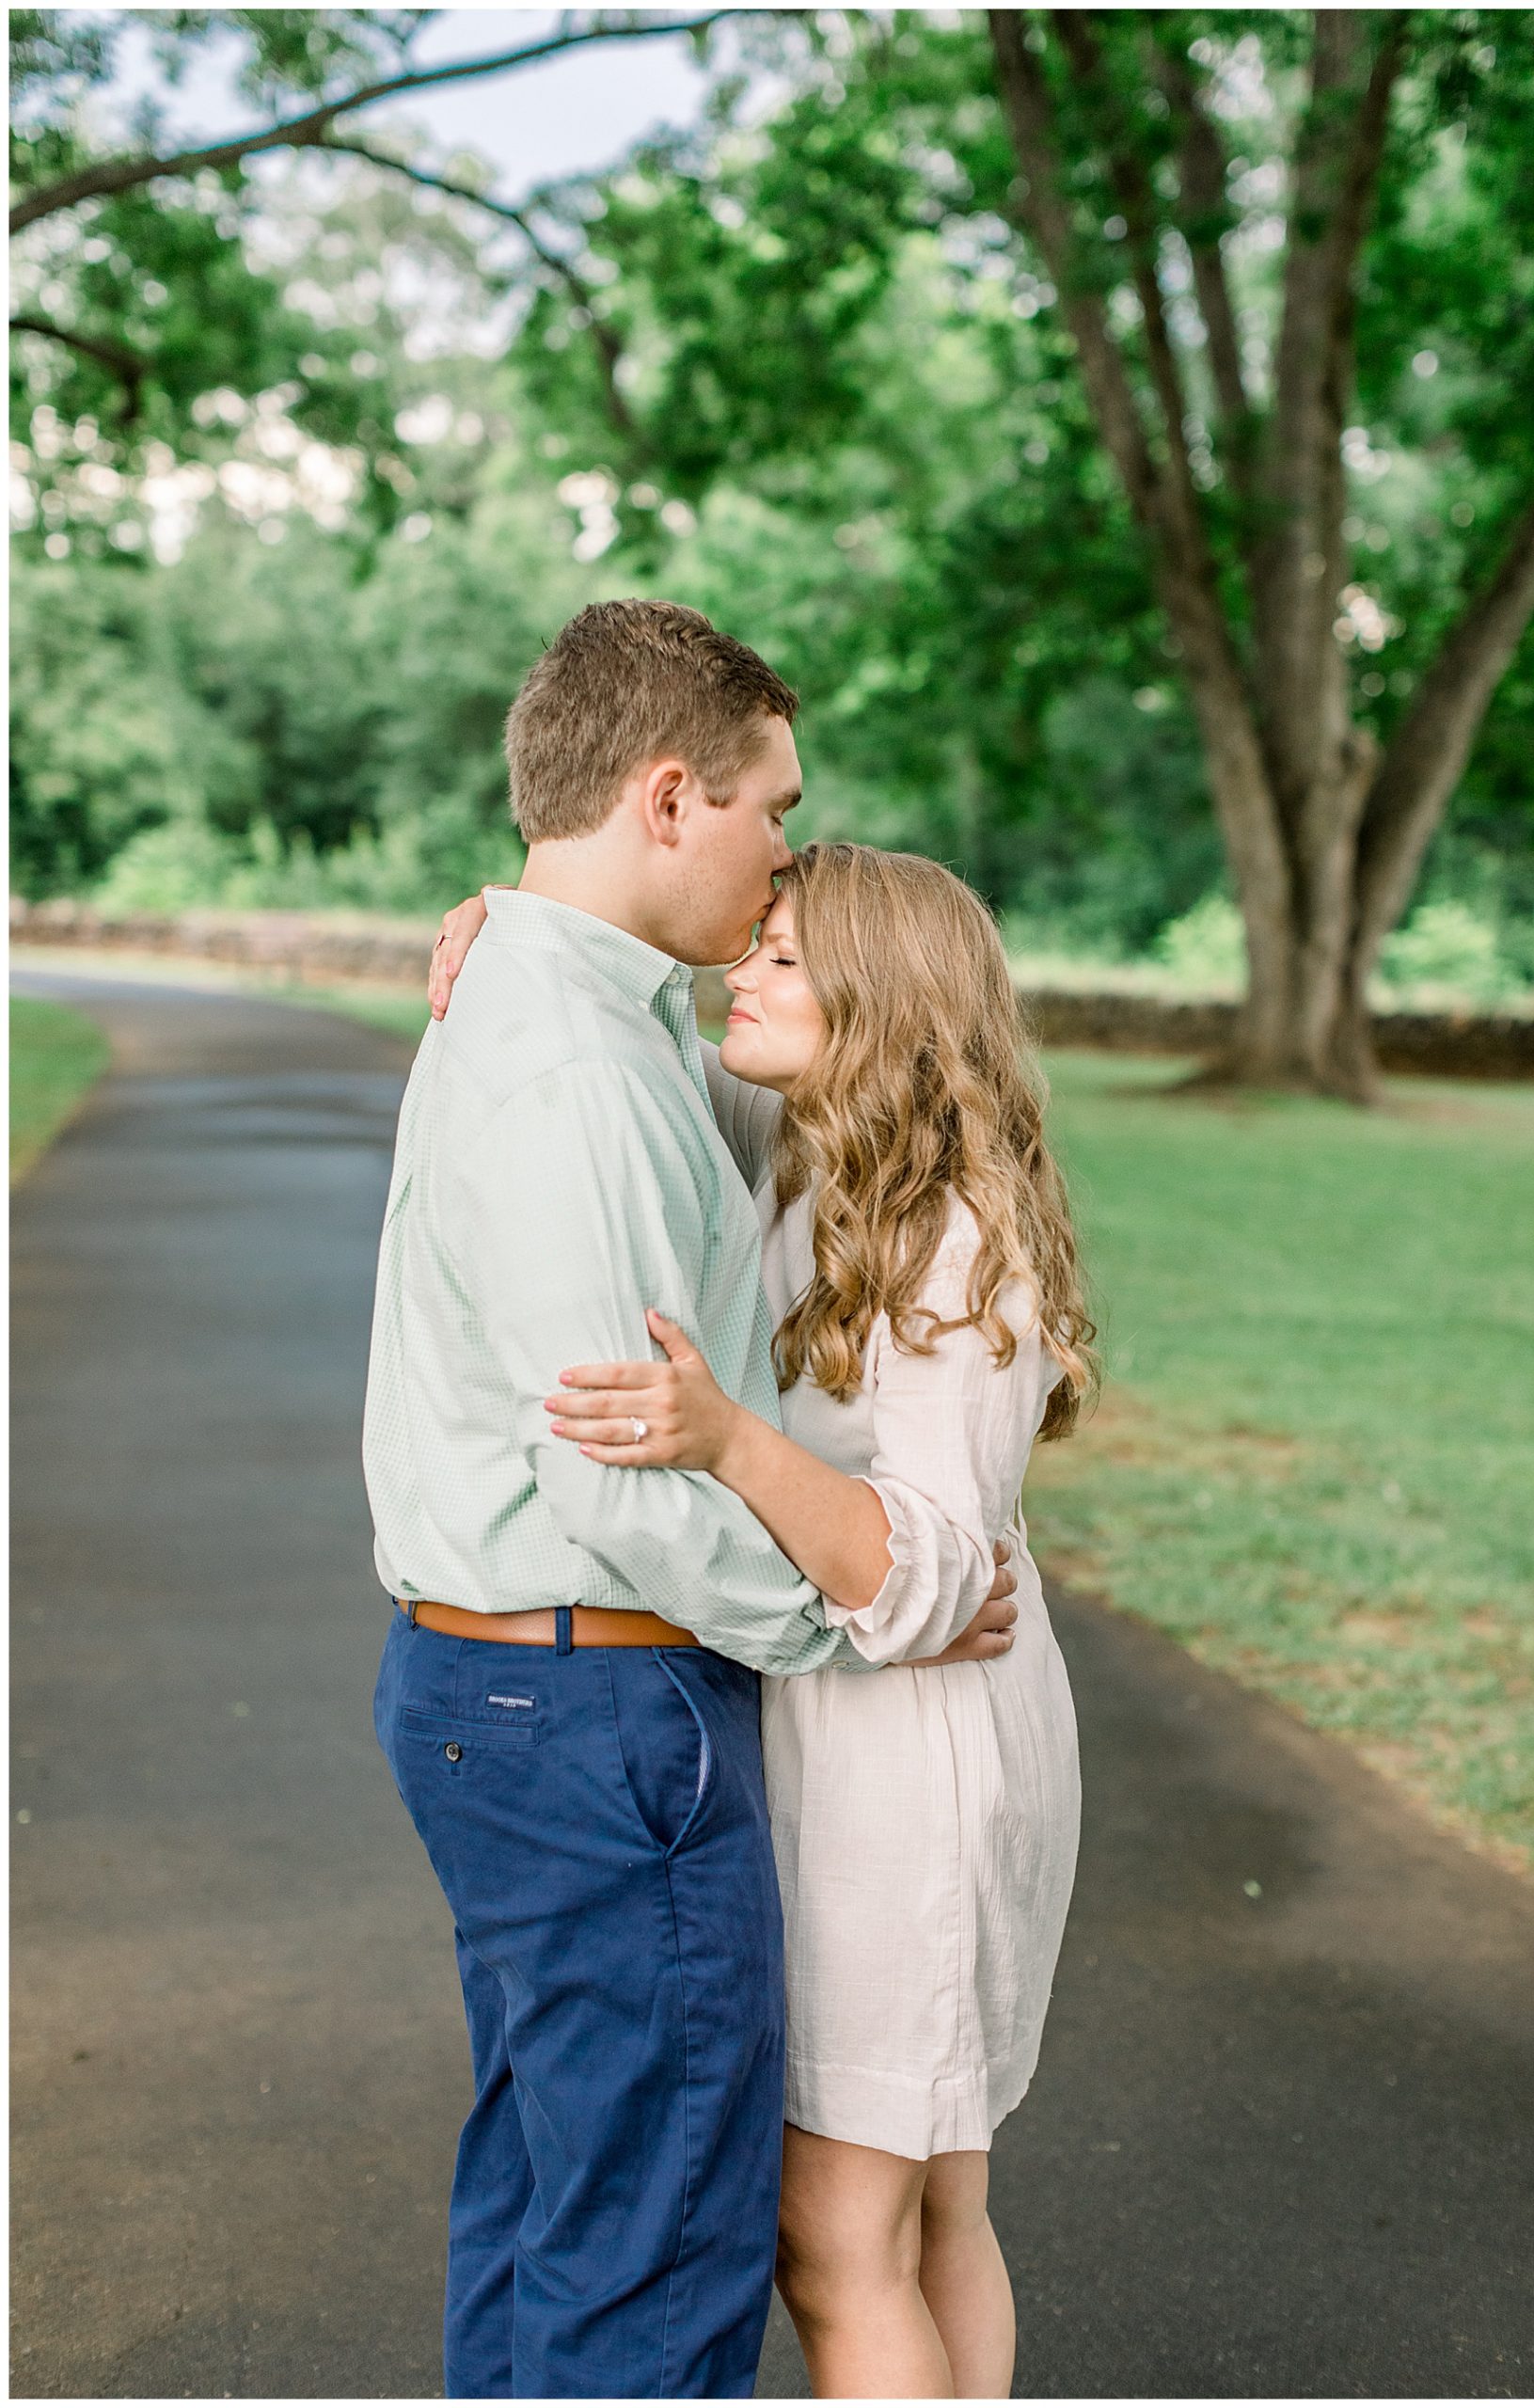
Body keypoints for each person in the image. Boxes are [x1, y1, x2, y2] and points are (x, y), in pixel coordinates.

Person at [362, 599, 1020, 2403]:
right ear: (669, 799)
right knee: (649, 2252)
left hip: (528, 1688)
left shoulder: (591, 1010)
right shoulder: (581, 1068)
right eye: (771, 808)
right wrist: (859, 1611)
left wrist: (503, 916)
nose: (788, 846)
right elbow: (630, 1478)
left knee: (559, 2199)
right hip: (592, 1698)